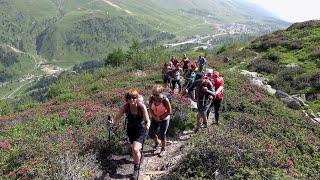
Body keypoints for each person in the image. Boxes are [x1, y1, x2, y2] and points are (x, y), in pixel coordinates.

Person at [108, 89, 150, 179]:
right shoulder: (125, 107)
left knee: (135, 149)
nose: (131, 100)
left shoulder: (141, 106)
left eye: (134, 97)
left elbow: (147, 119)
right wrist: (112, 122)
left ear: (137, 98)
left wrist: (147, 125)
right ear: (126, 99)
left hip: (141, 130)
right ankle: (138, 158)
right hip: (131, 130)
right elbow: (117, 118)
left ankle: (136, 169)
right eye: (129, 98)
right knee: (135, 149)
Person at [148, 85, 172, 157]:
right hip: (155, 118)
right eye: (154, 94)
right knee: (151, 133)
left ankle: (163, 149)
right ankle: (158, 142)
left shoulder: (165, 100)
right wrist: (154, 117)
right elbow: (150, 108)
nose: (155, 96)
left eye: (157, 95)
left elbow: (169, 111)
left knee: (162, 134)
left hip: (164, 119)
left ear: (161, 93)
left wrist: (161, 118)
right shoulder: (151, 98)